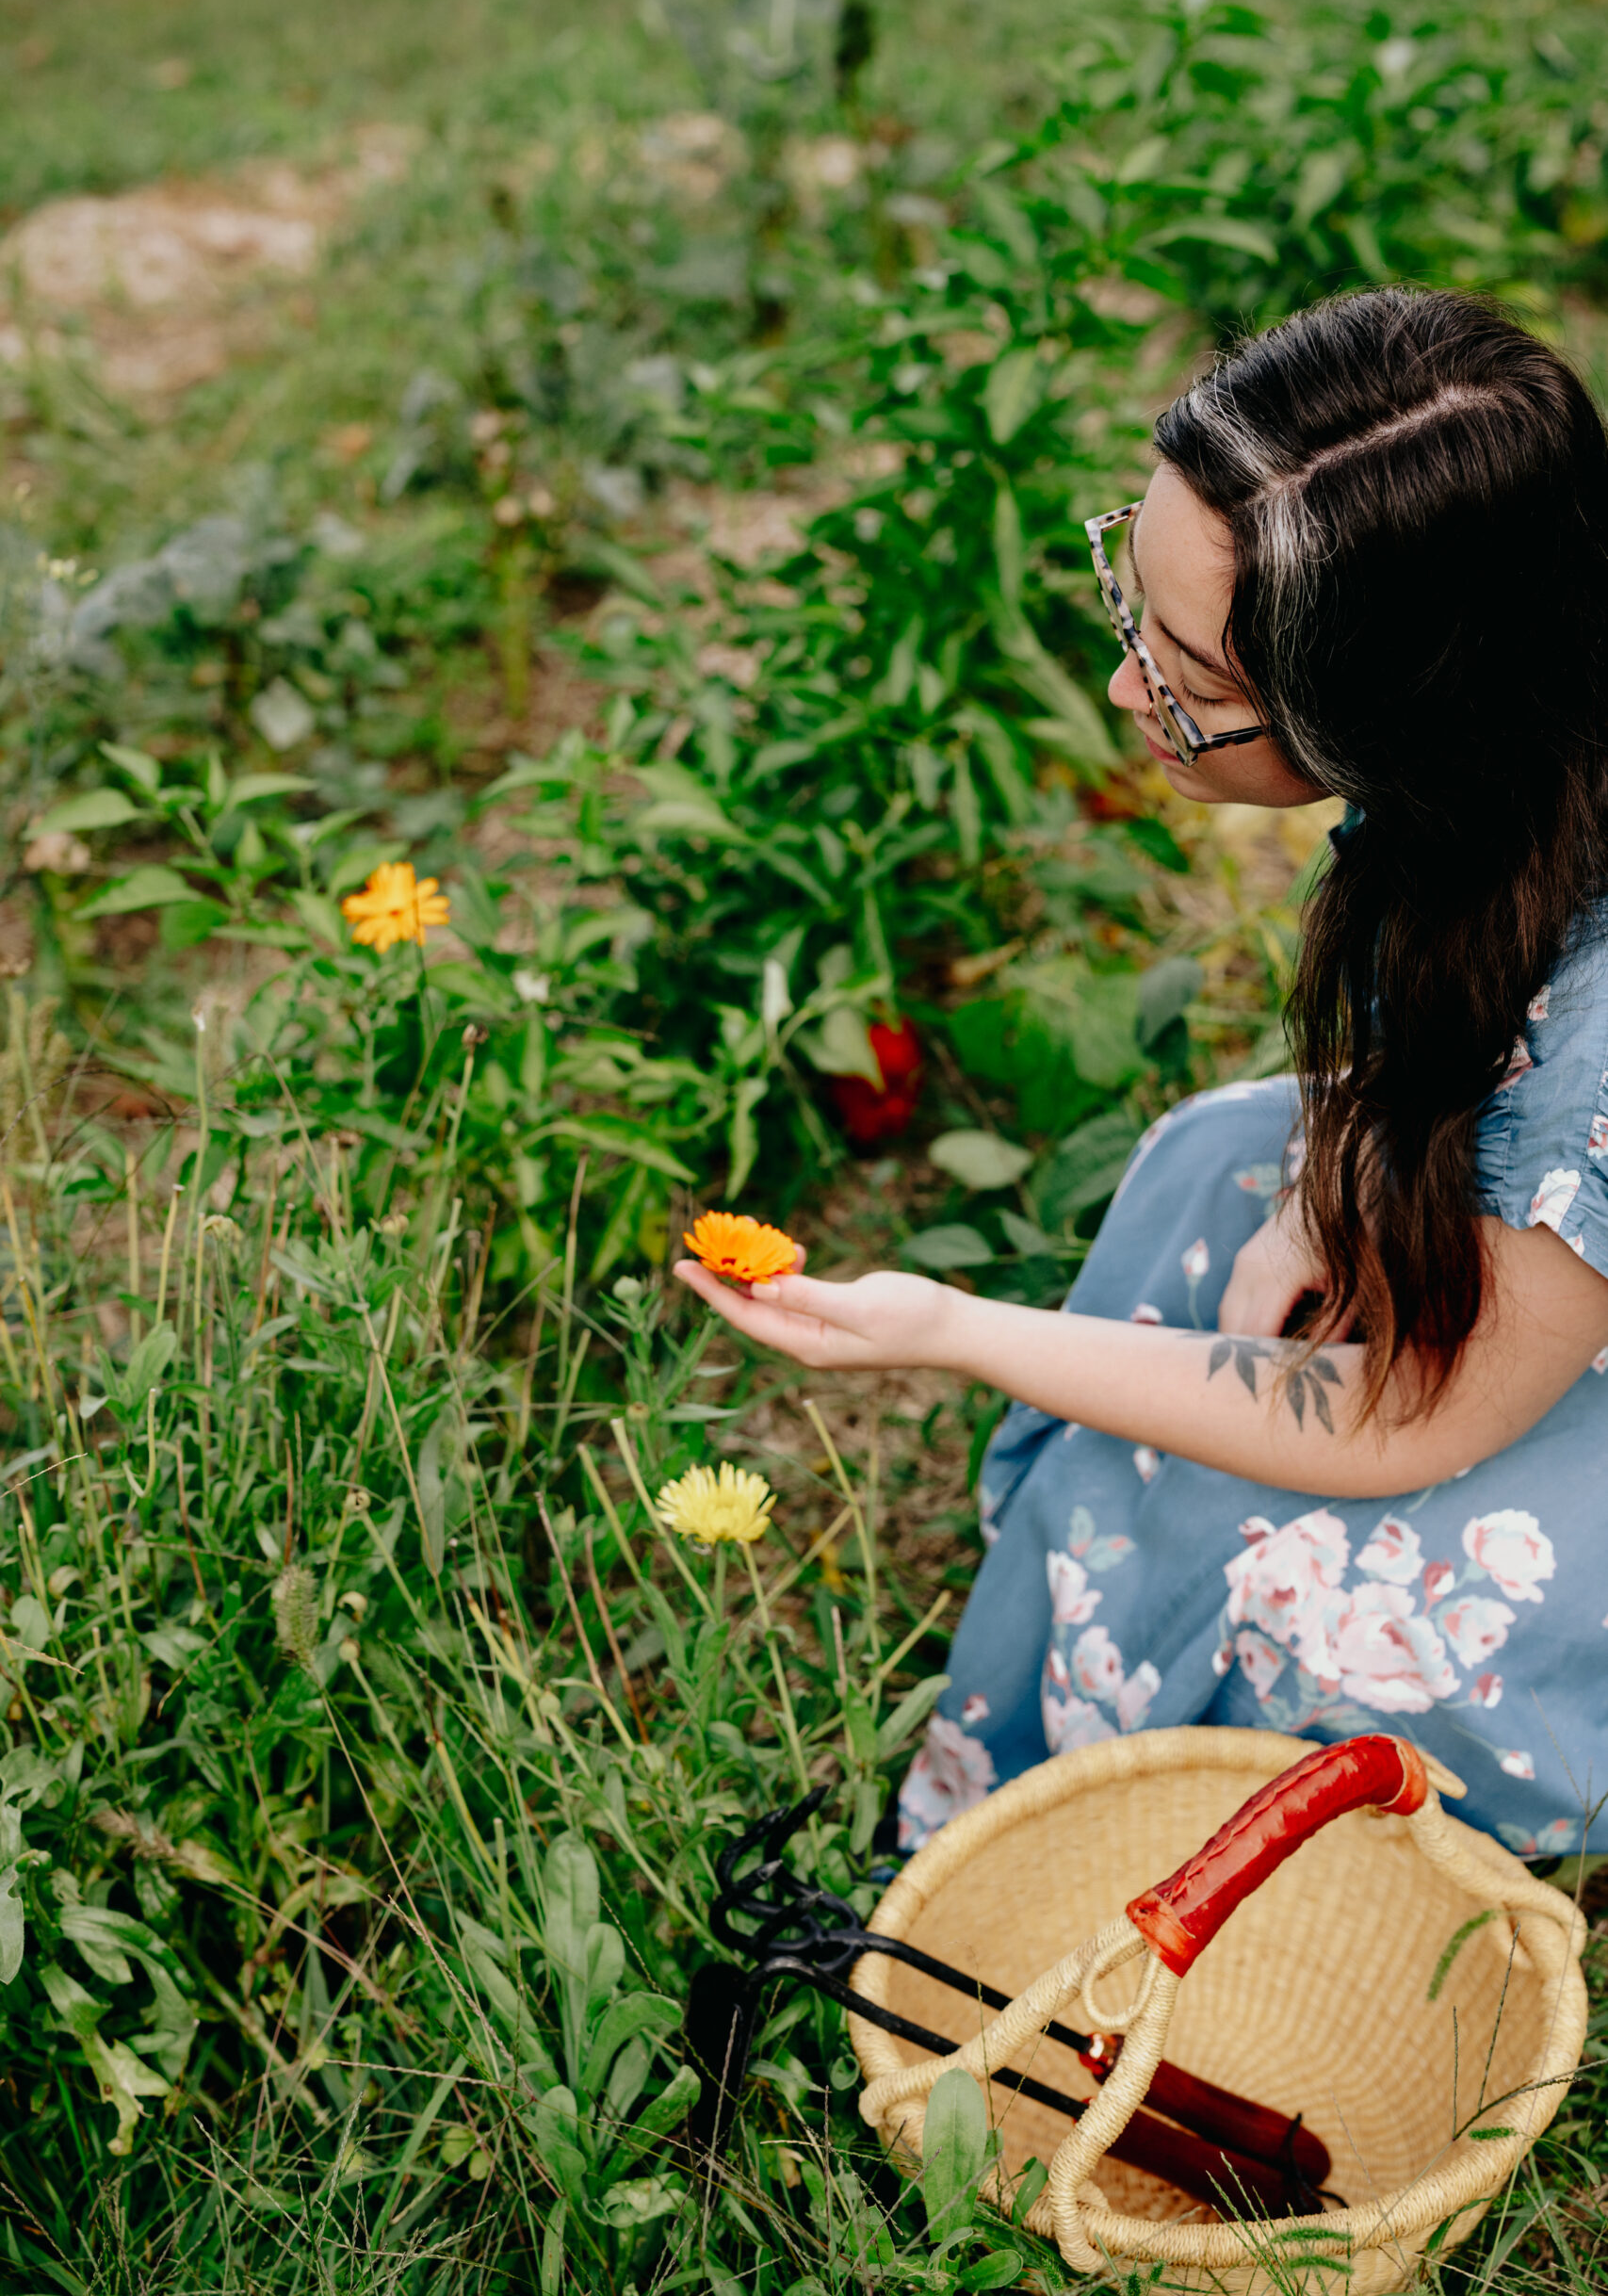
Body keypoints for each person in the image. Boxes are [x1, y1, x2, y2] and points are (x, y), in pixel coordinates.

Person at [677, 286, 1608, 1868]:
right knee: (1212, 1165)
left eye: (1186, 673)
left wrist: (954, 1331)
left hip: (1531, 1386)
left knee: (1264, 1586)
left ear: (1390, 709)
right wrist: (1335, 1185)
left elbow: (1401, 1424)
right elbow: (1438, 1060)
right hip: (1544, 1255)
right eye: (1140, 606)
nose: (1128, 691)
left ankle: (1127, 1831)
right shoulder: (1509, 750)